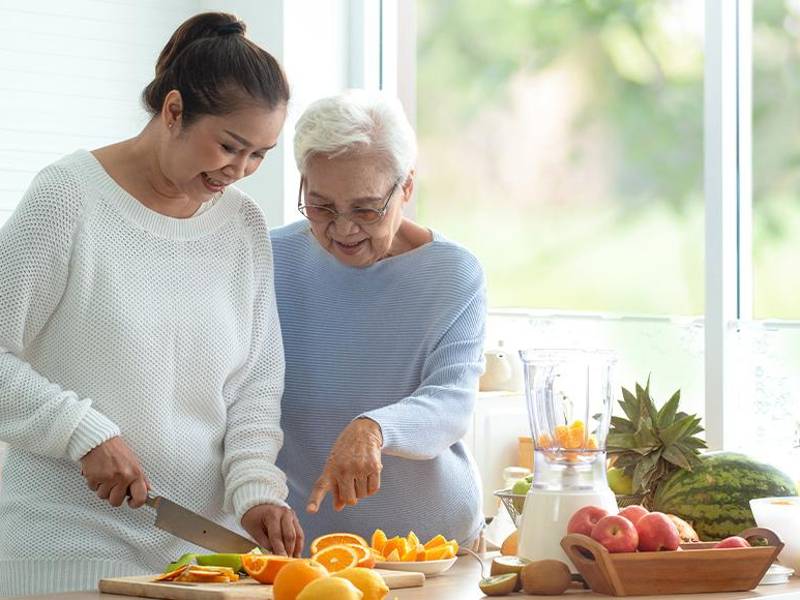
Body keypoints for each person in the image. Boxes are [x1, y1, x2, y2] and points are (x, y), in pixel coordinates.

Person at [0, 12, 302, 595]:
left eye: (260, 154)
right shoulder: (68, 199)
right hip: (65, 551)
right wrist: (80, 430)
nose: (238, 171)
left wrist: (256, 490)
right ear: (172, 111)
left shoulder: (242, 225)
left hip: (200, 562)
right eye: (229, 145)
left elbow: (254, 388)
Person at [272, 90, 487, 551]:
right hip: (303, 550)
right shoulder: (270, 258)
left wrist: (374, 428)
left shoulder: (453, 273)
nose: (344, 229)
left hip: (434, 550)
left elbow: (451, 403)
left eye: (367, 209)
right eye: (322, 206)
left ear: (406, 188)